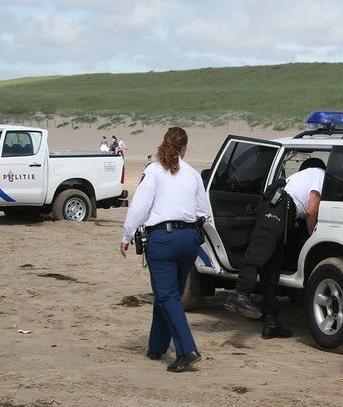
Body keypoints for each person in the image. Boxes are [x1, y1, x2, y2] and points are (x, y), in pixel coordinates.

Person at [120, 127, 211, 372]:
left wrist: (127, 235)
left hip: (163, 239)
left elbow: (139, 206)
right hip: (189, 239)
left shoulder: (154, 171)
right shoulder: (193, 174)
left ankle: (186, 350)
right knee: (168, 293)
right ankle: (157, 346)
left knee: (168, 295)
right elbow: (204, 211)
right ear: (184, 148)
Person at [224, 157, 327, 339]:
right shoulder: (319, 174)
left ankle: (271, 322)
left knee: (271, 268)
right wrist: (313, 236)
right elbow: (312, 209)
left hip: (277, 206)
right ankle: (240, 294)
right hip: (280, 207)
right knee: (259, 250)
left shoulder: (297, 177)